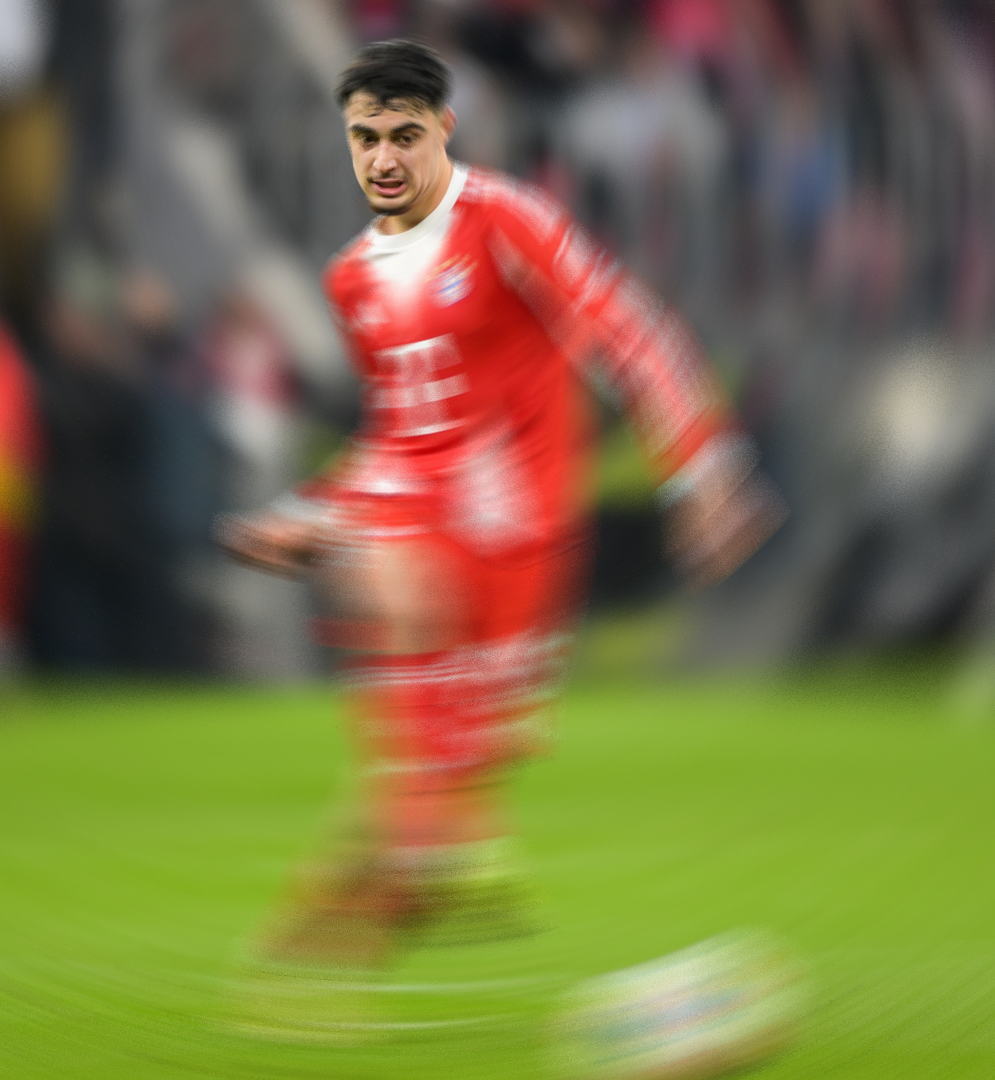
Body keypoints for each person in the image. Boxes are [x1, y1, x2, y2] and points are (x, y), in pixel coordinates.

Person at [218, 39, 779, 1040]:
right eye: (364, 138)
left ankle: (315, 959)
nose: (383, 158)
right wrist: (320, 513)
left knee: (428, 829)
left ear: (443, 130)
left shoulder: (506, 221)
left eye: (402, 135)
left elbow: (625, 326)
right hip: (416, 531)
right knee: (403, 651)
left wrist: (701, 466)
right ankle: (335, 948)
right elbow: (397, 437)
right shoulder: (353, 280)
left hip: (522, 549)